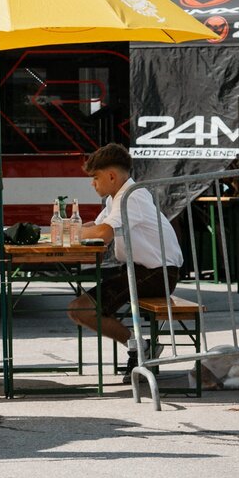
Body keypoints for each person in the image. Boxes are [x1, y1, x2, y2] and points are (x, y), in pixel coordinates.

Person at [67, 143, 183, 384]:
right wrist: (70, 230)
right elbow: (93, 227)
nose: (92, 183)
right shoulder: (117, 198)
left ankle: (140, 347)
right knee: (79, 309)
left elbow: (103, 233)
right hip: (141, 271)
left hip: (156, 274)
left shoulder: (133, 197)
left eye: (95, 177)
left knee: (81, 308)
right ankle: (139, 346)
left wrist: (70, 234)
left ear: (111, 176)